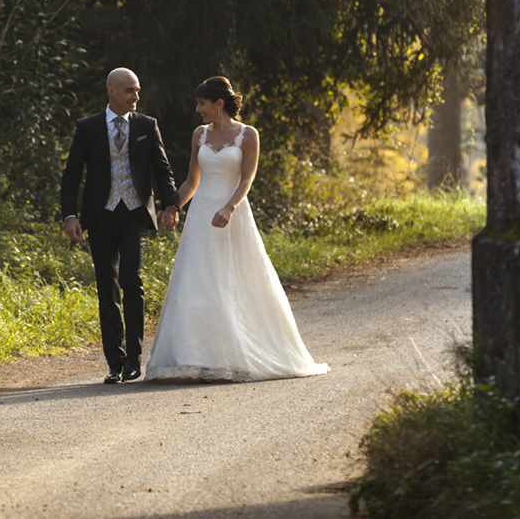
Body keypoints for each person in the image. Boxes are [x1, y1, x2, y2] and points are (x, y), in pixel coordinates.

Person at [144, 76, 329, 382]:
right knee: (197, 281)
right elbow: (192, 181)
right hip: (202, 214)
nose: (197, 109)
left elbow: (246, 179)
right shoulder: (199, 134)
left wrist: (229, 207)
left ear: (218, 104)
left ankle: (233, 356)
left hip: (232, 213)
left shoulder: (248, 135)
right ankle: (193, 356)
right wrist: (173, 206)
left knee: (234, 281)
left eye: (201, 103)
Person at [60, 68, 180, 384]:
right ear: (111, 91)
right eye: (129, 91)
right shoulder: (87, 128)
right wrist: (70, 215)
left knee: (130, 279)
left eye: (137, 90)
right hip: (99, 216)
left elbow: (162, 169)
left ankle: (134, 359)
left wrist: (171, 204)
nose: (135, 97)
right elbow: (72, 174)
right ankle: (115, 362)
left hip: (135, 213)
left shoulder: (146, 125)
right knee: (106, 286)